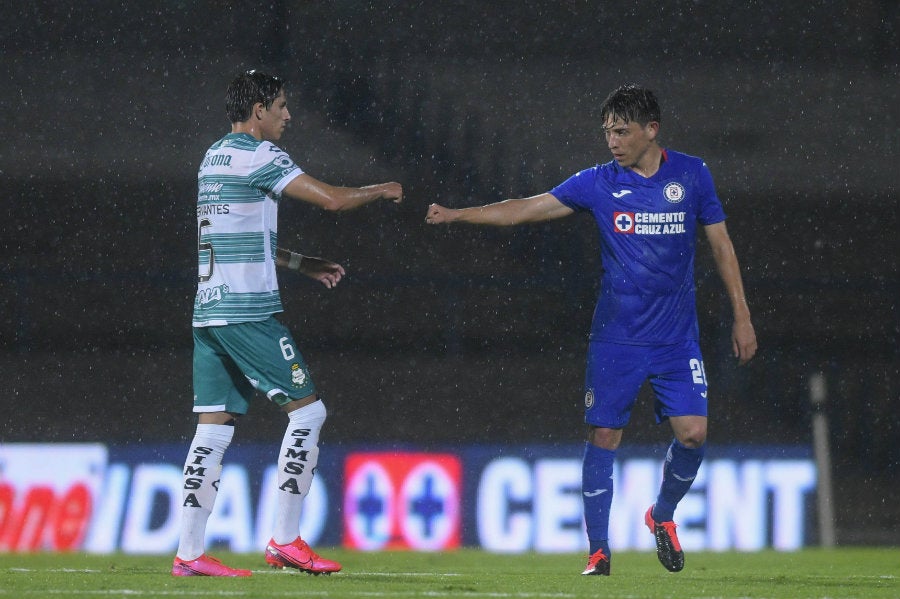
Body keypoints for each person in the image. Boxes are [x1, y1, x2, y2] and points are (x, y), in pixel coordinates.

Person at [425, 84, 756, 576]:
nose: (612, 142)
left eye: (621, 131)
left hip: (675, 339)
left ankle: (660, 516)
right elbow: (527, 207)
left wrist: (742, 315)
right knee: (604, 434)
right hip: (616, 338)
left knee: (693, 435)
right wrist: (459, 215)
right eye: (607, 132)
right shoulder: (598, 183)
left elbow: (722, 245)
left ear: (652, 130)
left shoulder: (692, 174)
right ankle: (598, 550)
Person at [172, 70, 403, 577]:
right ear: (258, 111)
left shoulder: (213, 157)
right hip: (248, 311)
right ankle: (285, 540)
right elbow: (333, 199)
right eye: (280, 105)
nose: (287, 115)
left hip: (208, 310)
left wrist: (303, 263)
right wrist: (379, 187)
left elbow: (241, 236)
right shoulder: (261, 156)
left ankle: (188, 554)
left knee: (211, 428)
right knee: (308, 413)